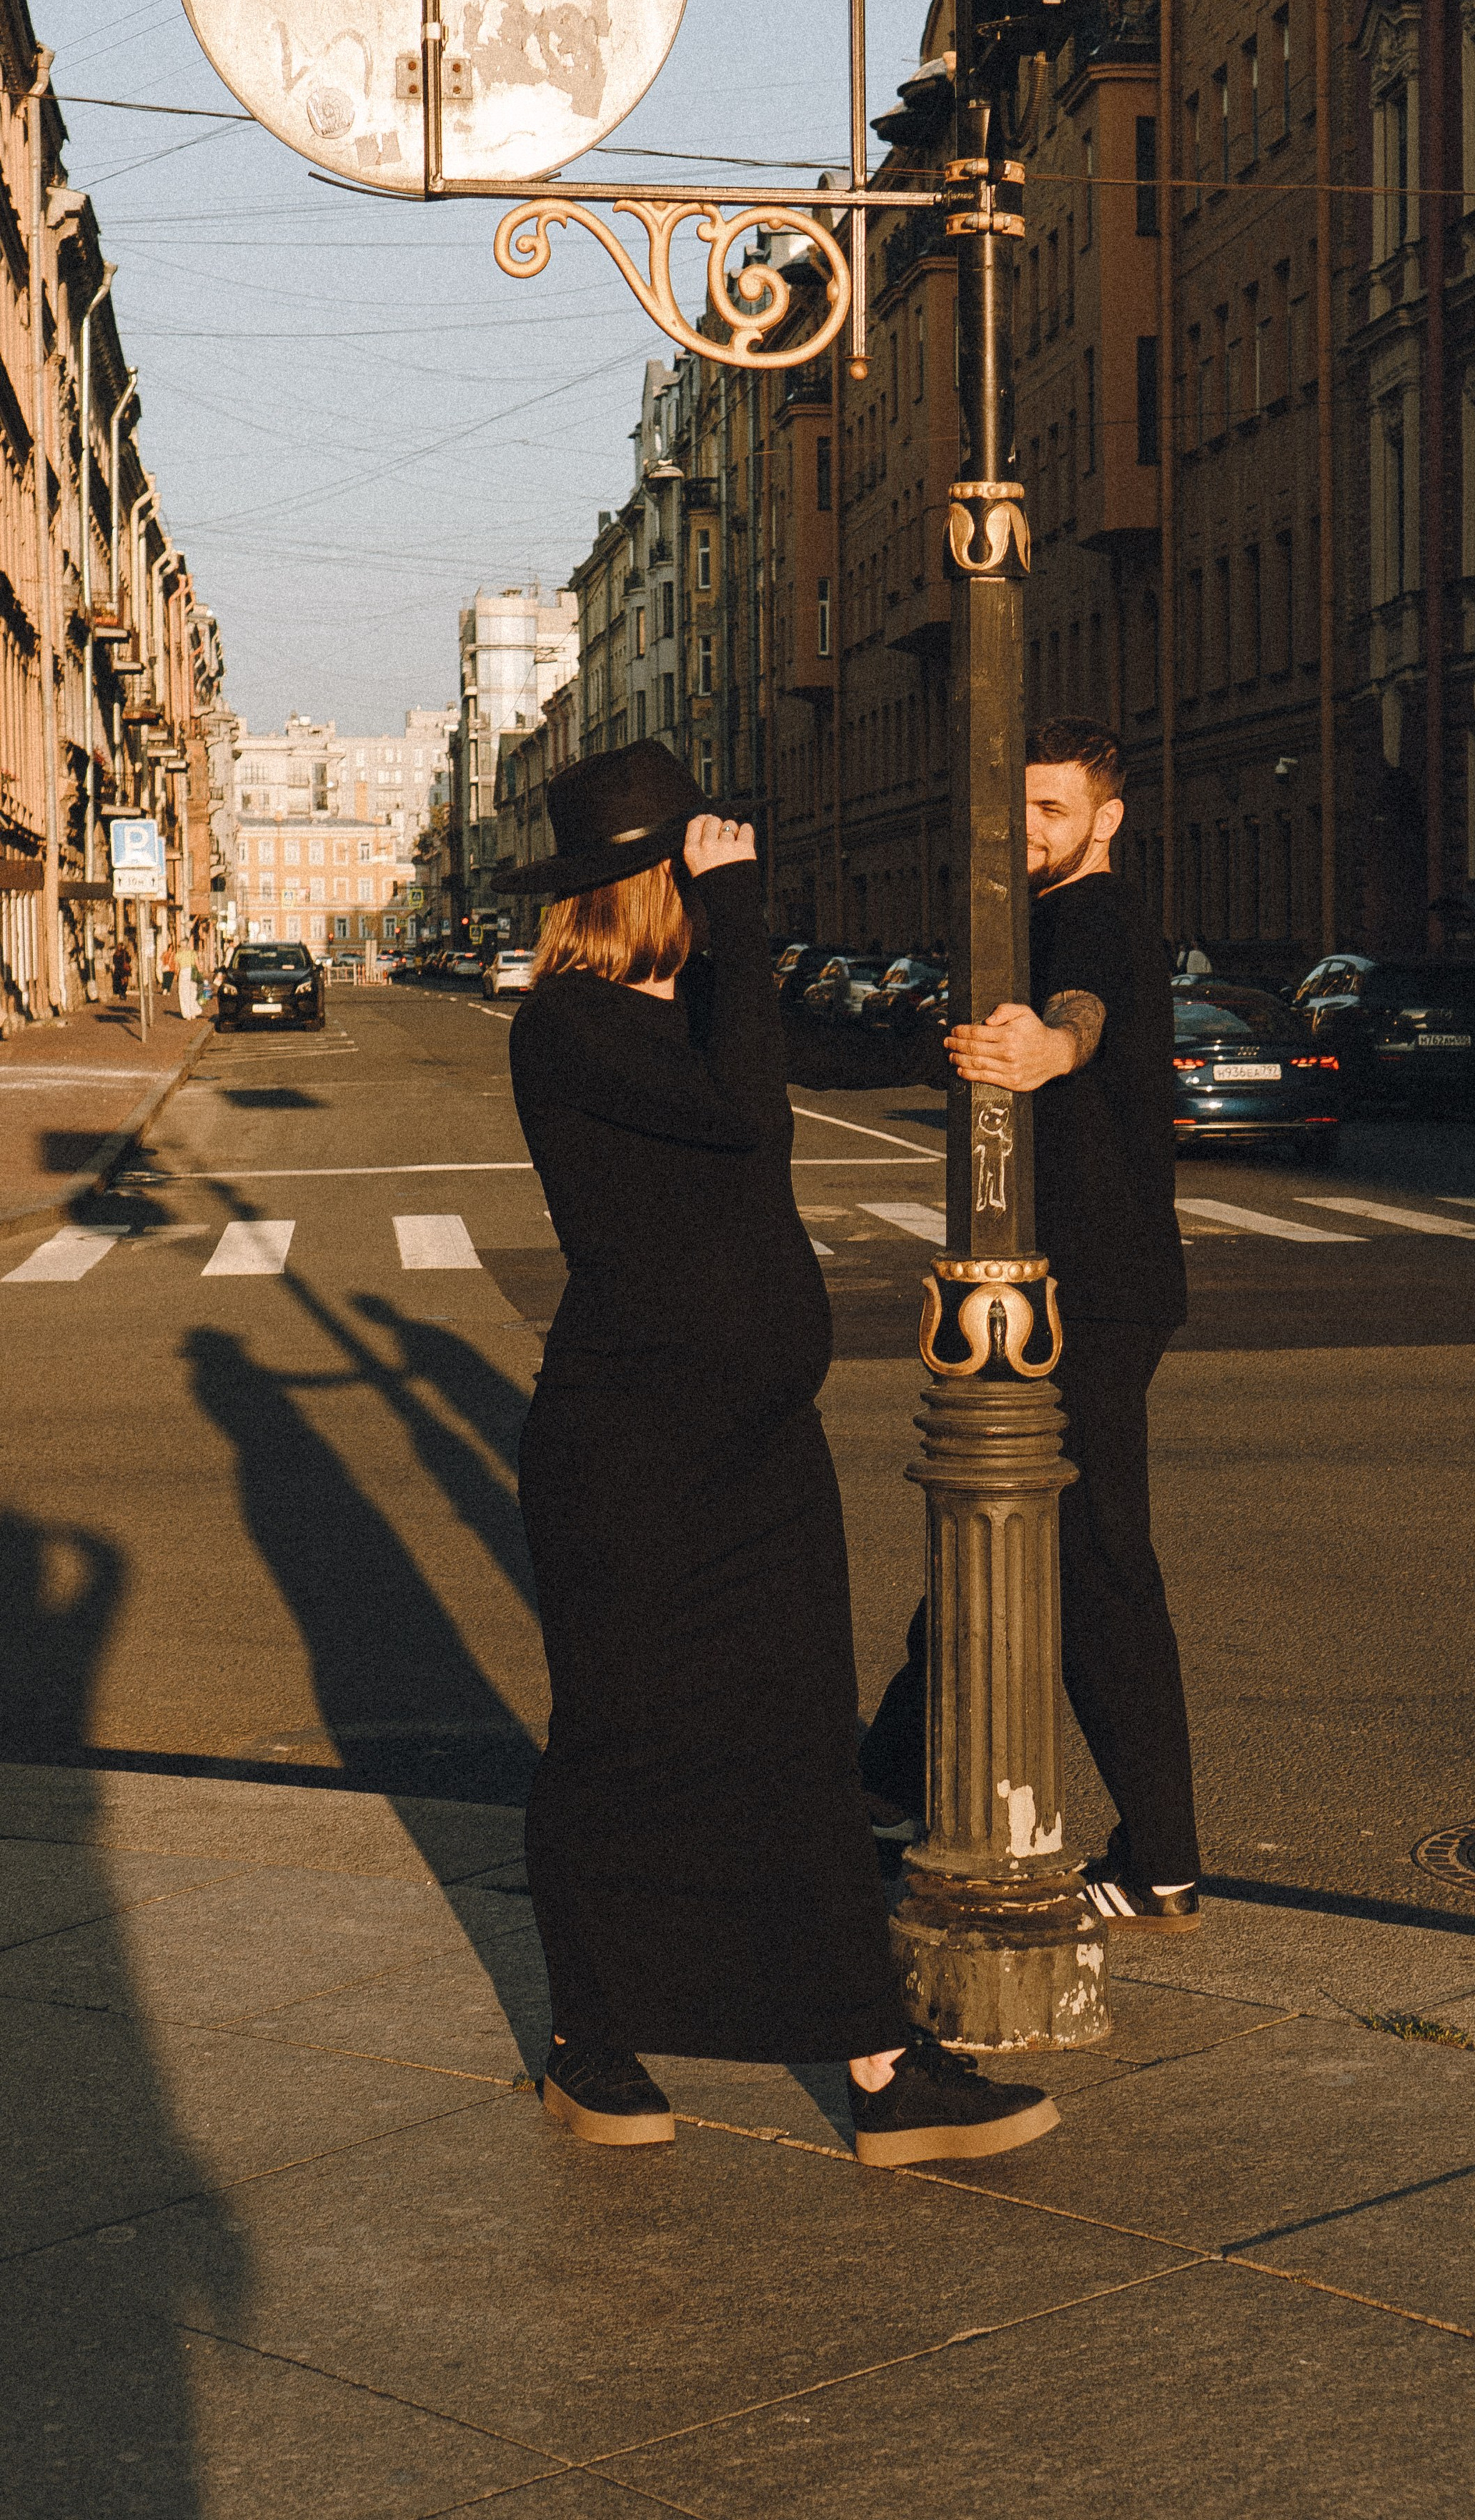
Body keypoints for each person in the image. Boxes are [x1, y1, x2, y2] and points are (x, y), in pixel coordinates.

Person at [501, 742, 1058, 2166]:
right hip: (628, 1453)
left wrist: (726, 946)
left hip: (751, 1443)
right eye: (696, 866)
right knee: (627, 1740)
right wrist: (741, 918)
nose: (717, 888)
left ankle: (878, 2069)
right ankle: (593, 2041)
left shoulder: (680, 1010)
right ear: (654, 881)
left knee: (795, 1743)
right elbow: (749, 1113)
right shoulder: (566, 1021)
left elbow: (746, 1098)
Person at [856, 717, 1203, 1931]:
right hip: (1042, 1281)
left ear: (1105, 818)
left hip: (1092, 1289)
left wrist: (1054, 1045)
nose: (1030, 830)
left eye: (1054, 810)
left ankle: (1163, 1858)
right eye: (1017, 810)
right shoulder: (1023, 915)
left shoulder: (1096, 918)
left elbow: (1086, 1008)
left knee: (1098, 1560)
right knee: (991, 1532)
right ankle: (888, 1782)